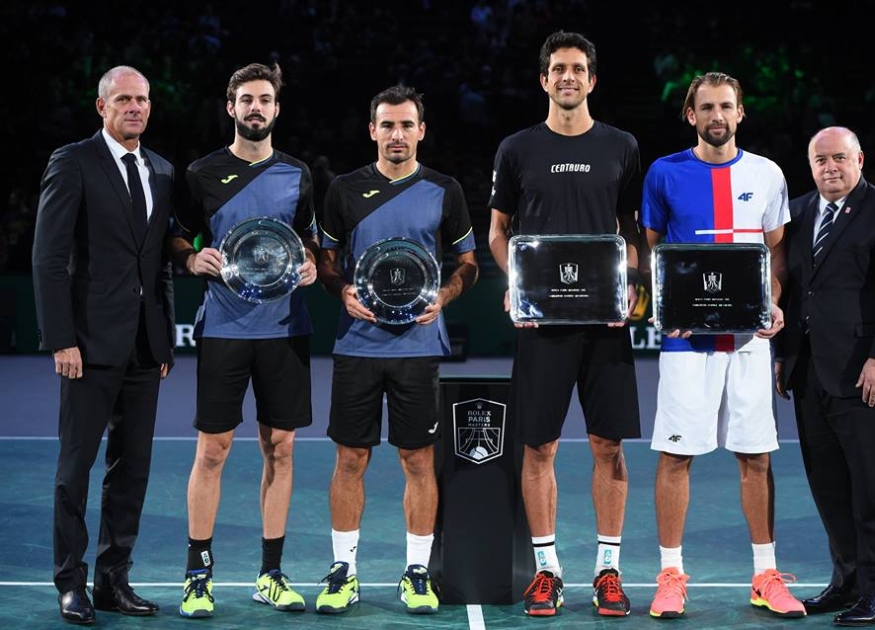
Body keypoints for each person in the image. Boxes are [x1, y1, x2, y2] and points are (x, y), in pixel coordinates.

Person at [488, 31, 643, 617]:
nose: (568, 77)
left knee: (609, 445)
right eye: (558, 69)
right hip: (542, 325)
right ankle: (547, 571)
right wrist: (518, 285)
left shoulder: (622, 146)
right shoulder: (517, 148)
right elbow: (498, 232)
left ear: (593, 79)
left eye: (578, 68)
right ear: (544, 79)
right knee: (540, 447)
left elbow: (631, 232)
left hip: (604, 322)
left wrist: (629, 281)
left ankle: (608, 571)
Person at [640, 71, 805, 619]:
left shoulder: (768, 173)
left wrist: (773, 299)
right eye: (706, 107)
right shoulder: (664, 173)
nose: (716, 116)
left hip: (749, 341)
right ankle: (670, 573)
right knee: (677, 455)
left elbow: (776, 255)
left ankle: (764, 575)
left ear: (740, 114)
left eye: (726, 107)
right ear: (691, 115)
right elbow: (653, 254)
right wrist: (667, 307)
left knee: (755, 456)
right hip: (688, 345)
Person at [315, 84, 477, 615]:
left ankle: (415, 572)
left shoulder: (444, 189)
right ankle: (344, 572)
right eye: (387, 125)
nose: (397, 135)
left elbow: (467, 263)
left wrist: (446, 296)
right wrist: (340, 289)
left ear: (421, 131)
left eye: (406, 125)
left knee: (416, 458)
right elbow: (327, 259)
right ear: (372, 130)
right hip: (357, 346)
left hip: (418, 343)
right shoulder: (343, 189)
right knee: (350, 458)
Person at [169, 62, 318, 618]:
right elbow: (177, 236)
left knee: (280, 448)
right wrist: (189, 257)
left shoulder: (299, 174)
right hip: (224, 328)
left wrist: (307, 264)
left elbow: (305, 240)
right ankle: (197, 575)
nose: (256, 109)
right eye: (246, 100)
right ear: (230, 108)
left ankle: (271, 574)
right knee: (213, 450)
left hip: (286, 330)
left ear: (277, 109)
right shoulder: (201, 173)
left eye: (265, 100)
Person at [32, 65, 175, 625]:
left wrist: (161, 337)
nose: (135, 108)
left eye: (142, 99)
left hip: (144, 347)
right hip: (87, 346)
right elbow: (47, 257)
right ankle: (69, 583)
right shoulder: (73, 161)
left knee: (132, 468)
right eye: (124, 100)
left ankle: (114, 578)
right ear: (102, 107)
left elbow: (159, 260)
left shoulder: (161, 170)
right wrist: (60, 339)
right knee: (76, 468)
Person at [776, 127, 875, 626]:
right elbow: (796, 293)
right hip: (811, 372)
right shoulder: (796, 212)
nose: (830, 168)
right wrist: (784, 356)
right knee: (830, 487)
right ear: (810, 164)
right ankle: (848, 582)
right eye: (821, 160)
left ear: (860, 158)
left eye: (840, 158)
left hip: (868, 375)